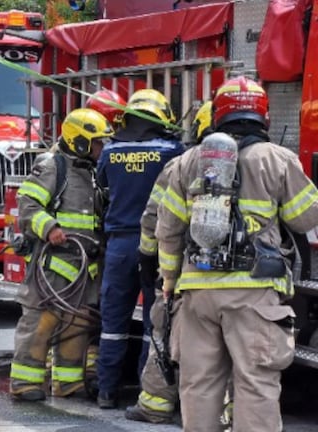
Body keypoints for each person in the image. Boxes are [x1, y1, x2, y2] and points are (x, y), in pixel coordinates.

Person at [156, 76, 318, 432]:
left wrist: (169, 279)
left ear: (218, 113)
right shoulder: (276, 159)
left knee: (199, 384)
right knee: (255, 382)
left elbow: (167, 229)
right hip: (254, 293)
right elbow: (305, 218)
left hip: (197, 293)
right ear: (264, 115)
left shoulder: (188, 162)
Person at [9, 108, 112, 402]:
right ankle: (24, 382)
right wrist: (49, 227)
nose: (101, 148)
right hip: (54, 263)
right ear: (79, 141)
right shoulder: (52, 166)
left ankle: (68, 383)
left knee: (76, 324)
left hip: (85, 266)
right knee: (42, 322)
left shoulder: (93, 173)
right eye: (97, 142)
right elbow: (27, 206)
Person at [95, 88, 184, 409]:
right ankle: (146, 391)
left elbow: (102, 189)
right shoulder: (172, 150)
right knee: (154, 323)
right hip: (156, 246)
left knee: (113, 323)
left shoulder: (110, 151)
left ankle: (106, 391)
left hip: (119, 245)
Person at [124, 100, 213, 424]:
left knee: (164, 332)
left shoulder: (178, 165)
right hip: (235, 278)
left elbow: (155, 218)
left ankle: (155, 405)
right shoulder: (255, 164)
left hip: (183, 271)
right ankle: (224, 413)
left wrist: (151, 262)